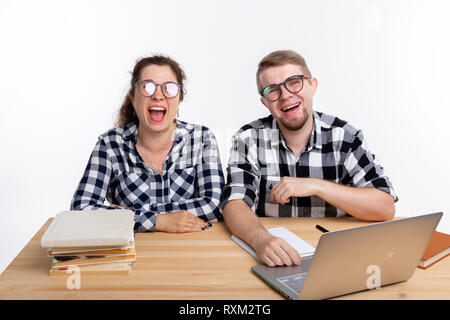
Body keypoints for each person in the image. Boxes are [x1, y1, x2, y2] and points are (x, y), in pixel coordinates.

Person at [221, 50, 398, 267]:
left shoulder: (344, 136)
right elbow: (234, 203)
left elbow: (385, 207)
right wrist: (261, 240)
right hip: (274, 258)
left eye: (293, 83)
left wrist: (315, 186)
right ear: (264, 102)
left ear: (312, 85)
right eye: (272, 90)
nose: (285, 95)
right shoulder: (247, 138)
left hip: (338, 257)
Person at [71, 55, 224, 233]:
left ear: (180, 98)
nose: (158, 95)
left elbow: (215, 206)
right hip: (132, 251)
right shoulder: (110, 144)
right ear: (133, 98)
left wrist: (126, 215)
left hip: (188, 250)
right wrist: (159, 221)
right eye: (147, 87)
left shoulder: (201, 138)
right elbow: (81, 209)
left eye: (169, 88)